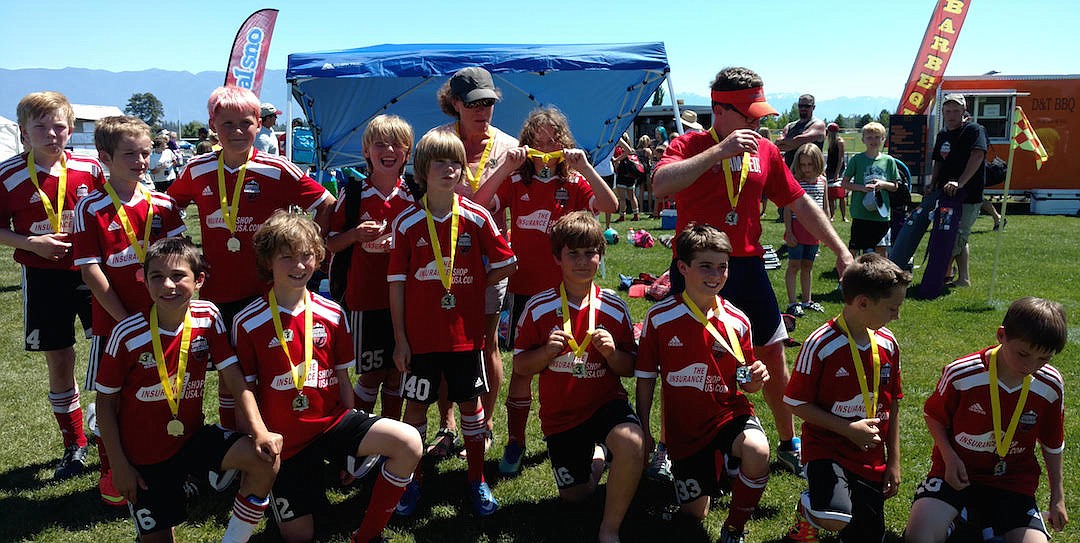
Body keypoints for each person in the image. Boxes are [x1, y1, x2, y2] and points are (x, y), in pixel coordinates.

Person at [651, 67, 855, 477]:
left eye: (760, 114)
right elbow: (660, 184)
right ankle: (669, 446)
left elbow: (799, 204)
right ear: (719, 111)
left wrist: (841, 250)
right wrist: (718, 152)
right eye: (749, 115)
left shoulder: (765, 150)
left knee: (772, 354)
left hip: (746, 264)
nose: (757, 123)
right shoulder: (689, 142)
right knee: (680, 360)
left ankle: (786, 442)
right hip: (695, 267)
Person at [233, 211, 422, 543]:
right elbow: (243, 391)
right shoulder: (248, 321)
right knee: (300, 536)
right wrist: (257, 441)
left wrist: (350, 448)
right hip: (283, 443)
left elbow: (343, 379)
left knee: (409, 442)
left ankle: (365, 537)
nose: (299, 265)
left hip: (330, 424)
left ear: (319, 256)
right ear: (268, 261)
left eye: (307, 255)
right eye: (287, 257)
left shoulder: (332, 312)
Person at [168, 85, 334, 433]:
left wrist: (314, 253)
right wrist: (183, 251)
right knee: (229, 373)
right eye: (227, 124)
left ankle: (278, 431)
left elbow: (325, 204)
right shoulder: (197, 170)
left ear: (259, 124)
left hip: (268, 290)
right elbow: (169, 207)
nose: (238, 131)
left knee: (271, 365)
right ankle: (232, 436)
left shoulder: (278, 169)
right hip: (218, 292)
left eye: (246, 123)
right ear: (213, 125)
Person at [95, 237, 281, 543]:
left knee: (264, 458)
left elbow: (234, 377)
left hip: (191, 440)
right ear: (145, 282)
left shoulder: (208, 317)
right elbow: (104, 405)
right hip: (144, 458)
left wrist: (259, 430)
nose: (168, 285)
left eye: (178, 276)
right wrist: (119, 466)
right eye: (157, 277)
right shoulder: (126, 334)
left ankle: (233, 539)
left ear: (199, 281)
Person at [471, 106, 618, 476]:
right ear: (526, 143)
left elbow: (610, 206)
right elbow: (476, 206)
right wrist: (505, 167)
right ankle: (516, 441)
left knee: (580, 363)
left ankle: (587, 431)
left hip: (571, 292)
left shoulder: (573, 182)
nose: (546, 147)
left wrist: (585, 167)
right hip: (526, 293)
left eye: (553, 140)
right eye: (537, 140)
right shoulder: (517, 181)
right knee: (524, 369)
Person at [388, 130, 517, 516]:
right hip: (420, 339)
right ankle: (413, 483)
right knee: (415, 409)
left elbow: (508, 262)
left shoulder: (476, 217)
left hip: (466, 339)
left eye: (456, 163)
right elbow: (395, 285)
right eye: (440, 163)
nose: (449, 169)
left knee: (470, 407)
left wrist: (477, 283)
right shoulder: (408, 222)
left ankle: (476, 479)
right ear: (422, 170)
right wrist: (399, 339)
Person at [73, 115, 187, 505]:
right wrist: (126, 322)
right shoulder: (89, 208)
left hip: (166, 322)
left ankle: (167, 460)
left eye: (146, 152)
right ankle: (111, 468)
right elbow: (91, 270)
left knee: (162, 390)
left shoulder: (164, 204)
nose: (141, 161)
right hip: (115, 325)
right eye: (130, 154)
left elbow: (179, 260)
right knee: (114, 396)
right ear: (104, 157)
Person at [636, 224, 772, 543]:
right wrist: (644, 428)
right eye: (705, 266)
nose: (715, 274)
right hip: (686, 432)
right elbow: (645, 380)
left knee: (757, 451)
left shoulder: (737, 321)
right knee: (694, 514)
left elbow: (743, 381)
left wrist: (754, 380)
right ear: (682, 268)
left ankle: (734, 527)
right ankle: (721, 468)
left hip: (728, 415)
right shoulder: (659, 318)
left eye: (722, 266)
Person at [513, 211, 643, 543]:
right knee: (575, 497)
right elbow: (521, 366)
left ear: (600, 256)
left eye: (590, 253)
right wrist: (544, 353)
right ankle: (598, 457)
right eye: (573, 254)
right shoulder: (538, 308)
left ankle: (609, 528)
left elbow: (631, 368)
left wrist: (613, 354)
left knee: (631, 442)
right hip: (562, 417)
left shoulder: (614, 307)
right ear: (557, 258)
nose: (583, 261)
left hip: (605, 404)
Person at [0, 91, 105, 480]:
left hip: (90, 274)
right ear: (25, 133)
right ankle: (74, 443)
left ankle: (109, 428)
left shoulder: (90, 168)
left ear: (71, 128)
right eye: (40, 127)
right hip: (42, 278)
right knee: (60, 360)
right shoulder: (8, 174)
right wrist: (31, 244)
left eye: (58, 125)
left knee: (108, 351)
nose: (51, 133)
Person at [905, 297, 1068, 543]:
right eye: (1023, 354)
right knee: (920, 537)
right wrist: (949, 458)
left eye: (1043, 359)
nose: (1030, 366)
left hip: (1013, 483)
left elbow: (1053, 442)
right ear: (1001, 335)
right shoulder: (962, 373)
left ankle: (976, 524)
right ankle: (974, 524)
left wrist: (1057, 497)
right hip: (955, 476)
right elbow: (934, 416)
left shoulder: (1050, 384)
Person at [781, 253, 910, 543]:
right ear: (863, 303)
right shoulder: (821, 343)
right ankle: (809, 509)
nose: (896, 316)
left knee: (869, 537)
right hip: (827, 448)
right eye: (892, 308)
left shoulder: (888, 344)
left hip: (869, 455)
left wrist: (894, 462)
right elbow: (795, 402)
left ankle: (837, 507)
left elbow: (895, 404)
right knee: (834, 517)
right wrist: (847, 429)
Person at [429, 67, 521, 458]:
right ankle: (448, 424)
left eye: (489, 103)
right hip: (442, 257)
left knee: (486, 344)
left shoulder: (508, 146)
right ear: (455, 104)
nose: (483, 110)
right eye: (474, 103)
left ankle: (484, 424)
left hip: (488, 261)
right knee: (445, 344)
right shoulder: (437, 142)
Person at [326, 115, 416, 422]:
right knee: (371, 374)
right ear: (367, 151)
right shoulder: (353, 194)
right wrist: (354, 235)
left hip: (407, 301)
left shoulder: (416, 195)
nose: (388, 149)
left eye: (396, 144)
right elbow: (329, 244)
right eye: (380, 144)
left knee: (398, 372)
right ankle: (361, 436)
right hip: (366, 301)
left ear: (407, 152)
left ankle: (390, 433)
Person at [933, 94, 987, 288]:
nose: (951, 115)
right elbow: (938, 161)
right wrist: (933, 183)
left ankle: (943, 276)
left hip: (968, 195)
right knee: (954, 235)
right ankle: (960, 278)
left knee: (958, 235)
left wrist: (960, 183)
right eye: (947, 111)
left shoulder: (974, 130)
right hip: (946, 196)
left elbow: (978, 156)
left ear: (964, 111)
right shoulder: (943, 134)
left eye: (956, 111)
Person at [840, 122, 900, 258]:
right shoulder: (857, 159)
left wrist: (882, 184)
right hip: (861, 212)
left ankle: (881, 276)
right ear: (863, 140)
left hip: (881, 214)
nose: (873, 140)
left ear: (883, 139)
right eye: (870, 137)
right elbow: (844, 183)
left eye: (877, 137)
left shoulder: (889, 161)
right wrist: (862, 188)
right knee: (855, 248)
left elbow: (895, 186)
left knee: (881, 248)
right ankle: (851, 274)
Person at [783, 143, 828, 318]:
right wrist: (789, 231)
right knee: (794, 265)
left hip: (814, 231)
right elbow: (788, 209)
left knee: (808, 266)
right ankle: (792, 302)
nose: (806, 169)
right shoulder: (795, 182)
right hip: (797, 228)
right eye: (803, 165)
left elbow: (825, 208)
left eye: (810, 164)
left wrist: (826, 231)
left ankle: (806, 300)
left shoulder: (822, 181)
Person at [776, 94, 826, 168]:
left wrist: (790, 143)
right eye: (800, 106)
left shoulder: (818, 124)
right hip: (791, 173)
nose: (803, 108)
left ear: (813, 107)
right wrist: (794, 143)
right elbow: (778, 142)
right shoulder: (790, 126)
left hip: (811, 174)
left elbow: (799, 140)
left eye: (807, 106)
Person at [612, 134, 643, 222]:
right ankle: (636, 214)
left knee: (622, 198)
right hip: (631, 176)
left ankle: (622, 216)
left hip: (622, 175)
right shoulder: (632, 150)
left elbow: (617, 164)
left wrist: (615, 161)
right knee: (632, 196)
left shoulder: (618, 150)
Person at [824, 123, 848, 222]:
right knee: (831, 195)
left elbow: (841, 159)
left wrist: (837, 173)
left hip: (838, 170)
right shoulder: (831, 142)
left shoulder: (839, 142)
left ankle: (844, 217)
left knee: (841, 194)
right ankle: (832, 215)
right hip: (830, 169)